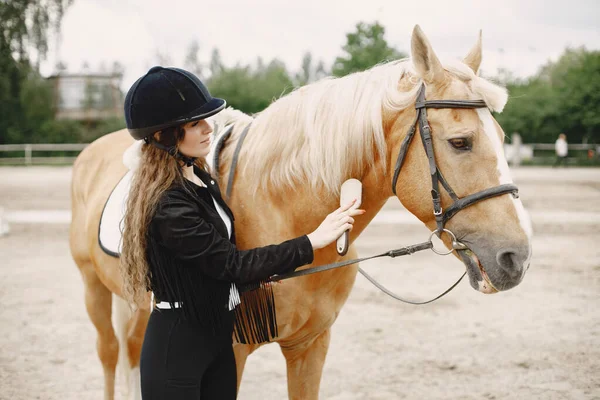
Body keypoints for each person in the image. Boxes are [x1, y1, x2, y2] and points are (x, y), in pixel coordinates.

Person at [119, 66, 365, 400]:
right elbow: (228, 264)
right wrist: (312, 241)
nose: (209, 129)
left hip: (219, 341)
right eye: (195, 124)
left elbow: (212, 263)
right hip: (178, 346)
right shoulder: (168, 205)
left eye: (206, 120)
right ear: (164, 135)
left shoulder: (199, 178)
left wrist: (261, 276)